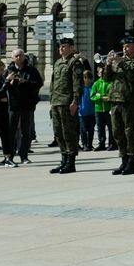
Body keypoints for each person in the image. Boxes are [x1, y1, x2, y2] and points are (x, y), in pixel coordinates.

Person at [103, 36, 134, 175]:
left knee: (130, 133)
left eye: (128, 46)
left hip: (130, 102)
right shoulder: (118, 61)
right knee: (118, 133)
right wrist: (109, 64)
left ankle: (131, 162)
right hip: (115, 101)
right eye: (123, 46)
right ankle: (123, 160)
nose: (124, 48)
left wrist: (121, 62)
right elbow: (106, 78)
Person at [50, 37, 89, 174]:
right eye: (60, 47)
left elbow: (78, 84)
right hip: (56, 102)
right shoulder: (58, 63)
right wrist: (52, 100)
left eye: (64, 47)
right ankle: (63, 160)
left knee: (68, 133)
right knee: (58, 132)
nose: (61, 49)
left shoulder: (75, 63)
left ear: (72, 48)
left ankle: (71, 162)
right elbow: (53, 84)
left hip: (67, 102)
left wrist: (75, 102)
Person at [6, 49, 43, 163]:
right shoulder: (8, 70)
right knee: (10, 131)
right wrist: (9, 82)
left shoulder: (31, 70)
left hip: (27, 105)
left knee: (25, 132)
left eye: (20, 56)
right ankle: (9, 156)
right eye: (16, 56)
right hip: (13, 105)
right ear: (12, 58)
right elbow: (3, 85)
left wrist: (25, 82)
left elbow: (38, 83)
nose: (18, 58)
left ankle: (24, 155)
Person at [90, 66, 112, 151]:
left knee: (111, 127)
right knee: (100, 128)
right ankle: (101, 143)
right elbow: (92, 96)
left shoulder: (109, 83)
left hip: (108, 109)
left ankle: (112, 143)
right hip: (98, 109)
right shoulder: (96, 84)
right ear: (98, 74)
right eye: (100, 72)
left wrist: (100, 96)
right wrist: (102, 98)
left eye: (103, 72)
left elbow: (110, 95)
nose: (101, 74)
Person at [77, 70, 96, 152]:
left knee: (91, 129)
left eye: (88, 78)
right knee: (83, 129)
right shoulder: (80, 88)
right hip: (82, 112)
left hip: (92, 112)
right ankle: (84, 144)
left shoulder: (93, 87)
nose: (86, 79)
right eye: (85, 77)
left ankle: (90, 144)